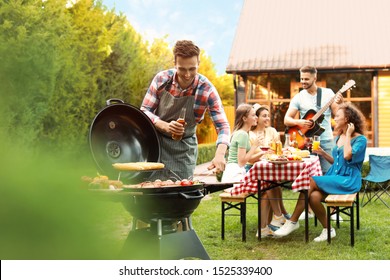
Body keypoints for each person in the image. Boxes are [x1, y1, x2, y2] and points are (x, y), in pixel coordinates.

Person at [274, 102, 367, 242]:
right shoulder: (337, 138)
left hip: (348, 180)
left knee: (311, 180)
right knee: (314, 197)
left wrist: (348, 135)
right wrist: (323, 153)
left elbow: (348, 156)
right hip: (335, 178)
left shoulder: (360, 139)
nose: (334, 118)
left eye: (337, 116)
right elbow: (337, 162)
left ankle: (292, 221)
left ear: (347, 119)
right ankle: (328, 230)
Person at [140, 40, 230, 180]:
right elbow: (144, 110)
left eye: (192, 69)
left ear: (198, 64)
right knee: (152, 193)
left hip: (184, 151)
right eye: (182, 69)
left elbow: (223, 125)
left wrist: (220, 155)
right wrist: (163, 125)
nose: (187, 75)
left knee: (179, 196)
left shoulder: (206, 89)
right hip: (155, 146)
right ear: (175, 64)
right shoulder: (161, 80)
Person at [284, 66, 343, 219]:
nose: (303, 81)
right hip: (306, 142)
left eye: (306, 79)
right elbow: (287, 119)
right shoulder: (298, 97)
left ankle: (333, 211)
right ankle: (308, 210)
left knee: (330, 174)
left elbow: (338, 114)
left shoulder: (328, 93)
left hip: (326, 141)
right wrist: (300, 122)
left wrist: (341, 103)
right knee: (307, 176)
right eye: (301, 78)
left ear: (315, 78)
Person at [221, 103, 273, 237]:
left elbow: (248, 159)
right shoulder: (242, 135)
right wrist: (256, 146)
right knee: (268, 188)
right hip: (234, 179)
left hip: (235, 175)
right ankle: (264, 227)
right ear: (244, 118)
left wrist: (262, 153)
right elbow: (242, 161)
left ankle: (266, 226)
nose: (256, 117)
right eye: (253, 115)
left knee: (268, 186)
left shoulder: (242, 133)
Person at [248, 104, 291, 230]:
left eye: (268, 116)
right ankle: (279, 216)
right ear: (257, 118)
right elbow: (252, 157)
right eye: (264, 116)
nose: (267, 118)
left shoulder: (272, 131)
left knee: (274, 182)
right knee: (271, 183)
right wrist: (265, 153)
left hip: (269, 169)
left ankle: (279, 216)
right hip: (253, 171)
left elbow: (278, 150)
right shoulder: (250, 134)